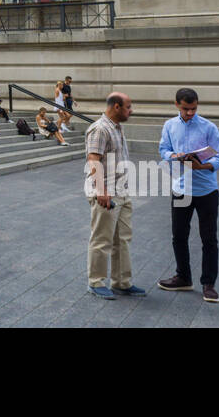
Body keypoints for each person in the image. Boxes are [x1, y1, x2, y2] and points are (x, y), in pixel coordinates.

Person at [156, 88, 219, 304]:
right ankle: (183, 277)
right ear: (177, 104)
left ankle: (209, 284)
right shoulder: (169, 126)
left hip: (206, 191)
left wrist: (201, 166)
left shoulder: (209, 127)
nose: (190, 113)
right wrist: (173, 156)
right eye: (186, 109)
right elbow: (163, 149)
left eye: (194, 108)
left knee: (209, 239)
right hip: (181, 189)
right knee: (179, 236)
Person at [85, 92, 144, 300]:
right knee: (102, 240)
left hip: (122, 193)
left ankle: (121, 281)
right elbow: (93, 159)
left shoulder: (117, 127)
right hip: (106, 194)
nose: (131, 110)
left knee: (123, 239)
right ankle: (96, 282)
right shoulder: (100, 129)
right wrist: (101, 191)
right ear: (117, 107)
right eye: (129, 107)